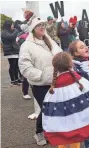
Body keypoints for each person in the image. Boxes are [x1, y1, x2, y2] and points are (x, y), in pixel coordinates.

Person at [42, 52, 89, 148]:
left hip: (62, 119)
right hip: (78, 117)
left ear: (54, 66)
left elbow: (48, 107)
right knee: (75, 135)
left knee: (63, 138)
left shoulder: (53, 88)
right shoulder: (81, 81)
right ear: (71, 64)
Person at [18, 14, 63, 146]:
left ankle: (52, 131)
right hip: (40, 84)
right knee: (46, 108)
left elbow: (60, 55)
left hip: (56, 81)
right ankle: (39, 132)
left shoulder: (50, 41)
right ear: (33, 28)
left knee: (55, 107)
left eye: (43, 25)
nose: (42, 27)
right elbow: (24, 66)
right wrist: (41, 76)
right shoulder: (27, 46)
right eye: (39, 26)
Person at [1, 20, 21, 86]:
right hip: (10, 51)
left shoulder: (11, 31)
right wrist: (16, 30)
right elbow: (11, 37)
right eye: (12, 24)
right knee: (12, 66)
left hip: (14, 50)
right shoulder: (4, 32)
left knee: (16, 66)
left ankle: (17, 79)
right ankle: (13, 80)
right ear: (8, 25)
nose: (13, 26)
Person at [16, 23, 32, 100]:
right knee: (26, 75)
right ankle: (25, 92)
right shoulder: (21, 36)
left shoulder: (31, 34)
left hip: (32, 56)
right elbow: (22, 46)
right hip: (25, 56)